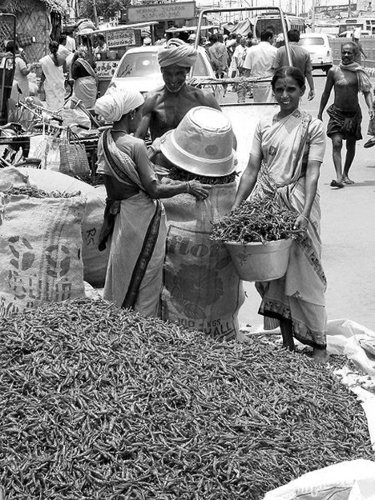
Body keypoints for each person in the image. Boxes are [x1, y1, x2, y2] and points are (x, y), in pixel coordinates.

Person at [233, 66, 328, 362]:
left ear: (302, 91)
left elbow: (312, 172)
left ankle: (319, 346)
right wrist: (237, 206)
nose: (285, 95)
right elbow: (251, 169)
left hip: (298, 202)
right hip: (267, 203)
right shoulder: (264, 125)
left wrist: (304, 210)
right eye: (280, 89)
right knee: (270, 275)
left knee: (304, 276)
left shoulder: (312, 127)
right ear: (273, 91)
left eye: (291, 89)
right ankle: (287, 344)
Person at [94, 88, 210, 317]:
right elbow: (154, 189)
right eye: (138, 111)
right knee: (147, 273)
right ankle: (143, 326)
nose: (140, 116)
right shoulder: (135, 145)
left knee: (123, 269)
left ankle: (118, 320)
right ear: (130, 115)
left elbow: (128, 170)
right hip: (142, 219)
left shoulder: (104, 139)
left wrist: (153, 148)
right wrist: (187, 186)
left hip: (122, 215)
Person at [135, 38, 221, 170]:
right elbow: (138, 140)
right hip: (161, 171)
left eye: (179, 73)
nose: (173, 80)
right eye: (168, 74)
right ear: (161, 70)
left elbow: (224, 135)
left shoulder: (203, 99)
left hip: (195, 171)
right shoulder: (151, 100)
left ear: (187, 70)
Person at [318, 42, 373, 187]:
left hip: (353, 114)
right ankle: (338, 177)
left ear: (355, 55)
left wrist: (370, 108)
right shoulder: (333, 71)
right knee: (336, 143)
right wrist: (320, 113)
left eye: (349, 53)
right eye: (344, 52)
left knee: (351, 144)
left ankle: (345, 173)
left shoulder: (358, 72)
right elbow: (326, 93)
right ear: (340, 53)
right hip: (337, 113)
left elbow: (367, 92)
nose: (346, 55)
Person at [274, 29, 315, 101]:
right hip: (297, 86)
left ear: (287, 38)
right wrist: (312, 89)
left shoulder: (280, 51)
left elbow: (276, 69)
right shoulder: (305, 53)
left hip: (282, 86)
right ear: (299, 38)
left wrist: (274, 87)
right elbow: (308, 72)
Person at [242, 29, 277, 103]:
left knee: (258, 104)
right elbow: (276, 68)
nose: (274, 40)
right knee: (269, 104)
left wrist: (245, 85)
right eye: (273, 38)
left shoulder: (251, 50)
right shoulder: (275, 51)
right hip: (270, 82)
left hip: (256, 83)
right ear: (269, 38)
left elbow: (247, 70)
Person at [39, 40, 66, 112]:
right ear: (58, 48)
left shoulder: (44, 60)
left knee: (51, 105)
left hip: (50, 85)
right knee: (60, 103)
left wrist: (40, 85)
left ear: (49, 48)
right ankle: (60, 118)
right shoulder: (63, 59)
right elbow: (65, 71)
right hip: (60, 84)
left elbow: (43, 75)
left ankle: (53, 120)